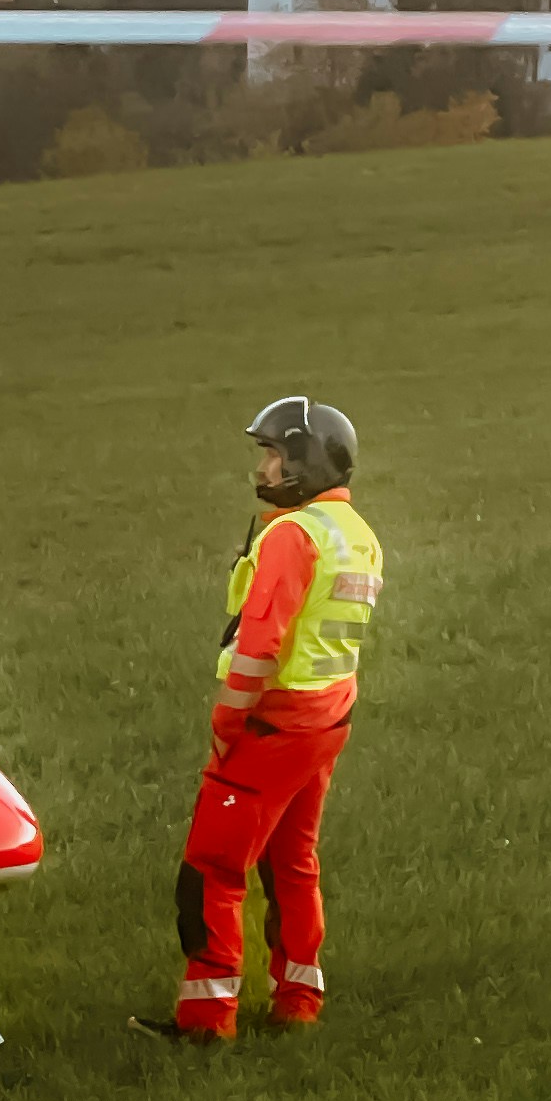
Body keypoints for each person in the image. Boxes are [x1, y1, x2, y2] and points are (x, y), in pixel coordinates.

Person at [138, 394, 381, 1049]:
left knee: (212, 868)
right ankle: (299, 999)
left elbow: (260, 645)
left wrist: (227, 718)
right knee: (292, 862)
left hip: (272, 725)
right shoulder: (357, 537)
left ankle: (207, 1021)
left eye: (275, 454)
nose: (265, 467)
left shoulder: (292, 536)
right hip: (328, 720)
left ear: (305, 463)